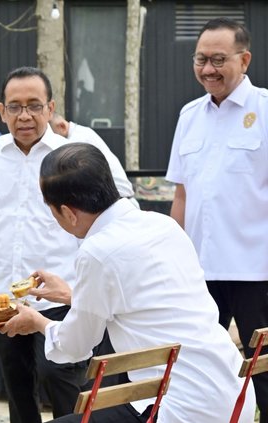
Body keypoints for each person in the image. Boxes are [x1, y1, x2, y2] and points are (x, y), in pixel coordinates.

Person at [0, 142, 256, 422]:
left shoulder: (97, 252)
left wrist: (37, 321)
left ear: (69, 213)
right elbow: (151, 304)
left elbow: (74, 346)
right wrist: (74, 295)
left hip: (180, 404)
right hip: (233, 391)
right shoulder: (162, 224)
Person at [0, 67, 88, 423]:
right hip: (2, 294)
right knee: (16, 385)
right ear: (1, 111)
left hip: (58, 292)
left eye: (33, 105)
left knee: (60, 378)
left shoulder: (73, 155)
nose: (24, 115)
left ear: (50, 108)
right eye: (15, 107)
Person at [166, 18, 268, 421]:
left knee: (264, 369)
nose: (208, 69)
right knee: (193, 365)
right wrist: (171, 260)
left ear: (244, 60)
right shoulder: (189, 115)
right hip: (198, 272)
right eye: (201, 59)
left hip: (256, 270)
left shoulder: (265, 109)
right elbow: (181, 196)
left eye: (219, 59)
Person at [50, 112, 137, 203]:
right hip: (119, 199)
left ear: (62, 126)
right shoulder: (83, 133)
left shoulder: (77, 141)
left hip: (117, 201)